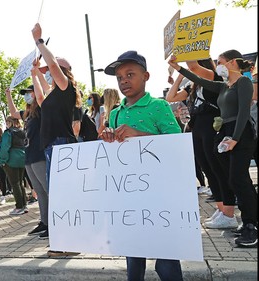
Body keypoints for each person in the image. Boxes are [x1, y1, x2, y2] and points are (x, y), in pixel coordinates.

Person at [101, 50, 183, 281]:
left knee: (166, 259)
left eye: (130, 74)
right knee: (133, 255)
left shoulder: (159, 106)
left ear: (145, 76)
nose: (124, 80)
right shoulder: (116, 113)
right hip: (129, 196)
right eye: (119, 77)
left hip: (159, 195)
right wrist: (108, 137)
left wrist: (139, 135)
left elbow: (176, 145)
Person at [169, 49, 257, 248]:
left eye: (221, 61)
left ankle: (252, 224)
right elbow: (194, 76)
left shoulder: (243, 82)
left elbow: (244, 111)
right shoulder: (223, 86)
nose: (218, 65)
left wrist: (235, 138)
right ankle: (249, 221)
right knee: (235, 178)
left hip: (240, 134)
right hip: (225, 132)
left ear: (233, 62)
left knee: (238, 178)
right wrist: (176, 67)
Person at [166, 59, 237, 229]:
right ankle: (221, 209)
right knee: (207, 168)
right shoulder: (193, 86)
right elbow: (171, 97)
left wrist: (185, 55)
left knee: (217, 168)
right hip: (197, 126)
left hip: (211, 124)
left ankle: (229, 212)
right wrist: (178, 76)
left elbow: (193, 67)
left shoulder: (213, 78)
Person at [32, 22, 82, 256]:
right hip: (53, 146)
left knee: (64, 195)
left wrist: (39, 42)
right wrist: (34, 74)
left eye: (53, 71)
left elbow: (52, 64)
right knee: (59, 196)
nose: (49, 73)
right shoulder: (54, 93)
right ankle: (65, 242)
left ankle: (70, 243)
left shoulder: (66, 87)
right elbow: (40, 98)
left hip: (62, 144)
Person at [6, 84, 49, 238]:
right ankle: (45, 222)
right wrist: (8, 95)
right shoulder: (28, 113)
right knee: (39, 191)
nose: (27, 96)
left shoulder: (43, 110)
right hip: (29, 155)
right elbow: (13, 113)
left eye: (29, 92)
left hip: (40, 154)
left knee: (47, 190)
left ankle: (54, 223)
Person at [0, 116, 27, 215]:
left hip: (11, 160)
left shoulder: (8, 132)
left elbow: (5, 147)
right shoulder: (22, 132)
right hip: (22, 159)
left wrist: (2, 160)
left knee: (15, 184)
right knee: (20, 183)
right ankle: (24, 205)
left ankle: (19, 207)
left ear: (9, 122)